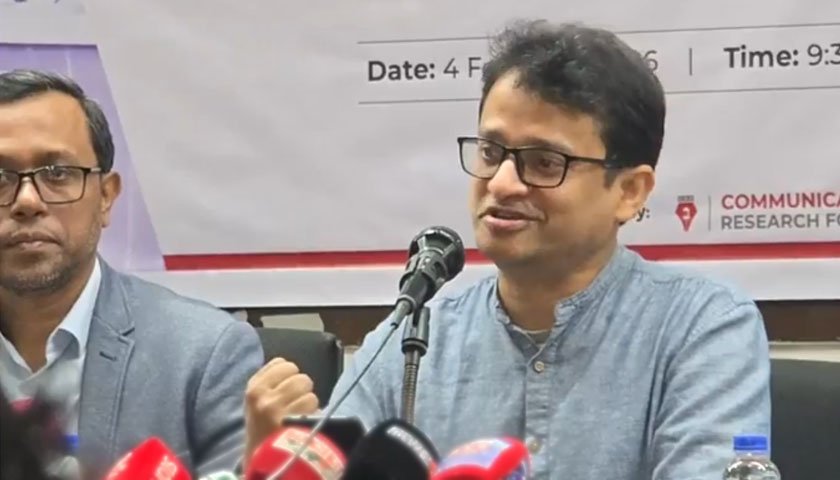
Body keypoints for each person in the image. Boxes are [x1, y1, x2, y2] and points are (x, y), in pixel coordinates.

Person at [244, 20, 771, 479]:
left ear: (630, 191)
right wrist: (273, 462)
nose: (501, 183)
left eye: (545, 163)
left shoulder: (701, 327)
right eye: (491, 151)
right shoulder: (411, 341)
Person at [0, 69, 265, 478]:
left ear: (106, 197)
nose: (27, 201)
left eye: (57, 174)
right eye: (1, 177)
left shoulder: (203, 355)